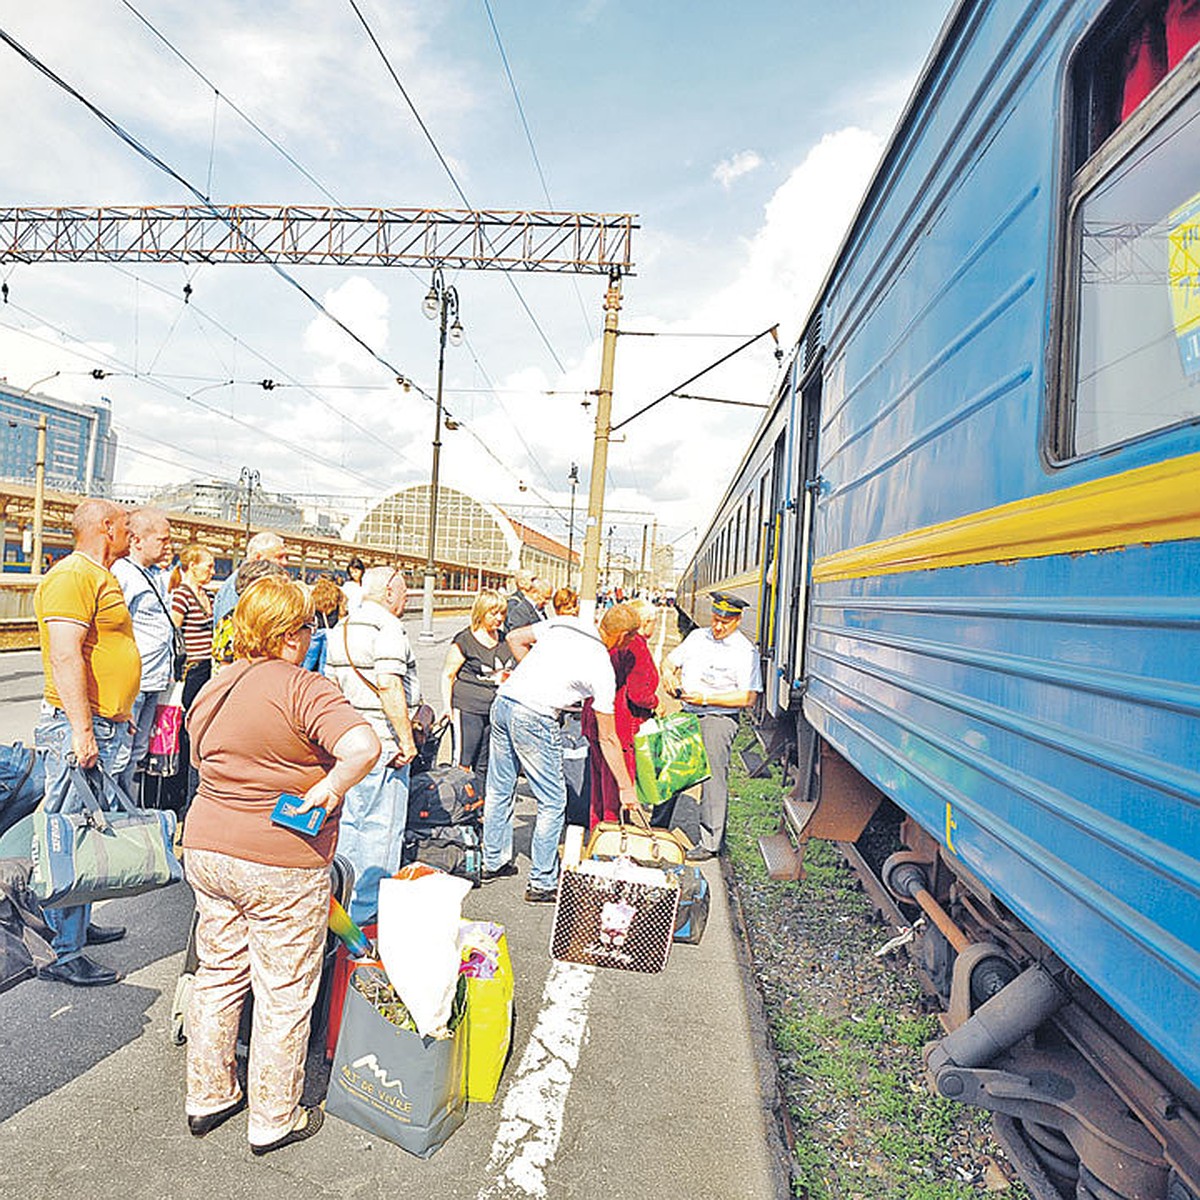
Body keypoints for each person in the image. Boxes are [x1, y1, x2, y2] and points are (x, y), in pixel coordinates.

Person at [183, 575, 380, 1154]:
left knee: (219, 971)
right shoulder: (304, 688)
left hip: (209, 849)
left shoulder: (214, 688)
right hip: (280, 860)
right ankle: (273, 1116)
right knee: (285, 989)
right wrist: (332, 786)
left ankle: (209, 1094)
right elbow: (363, 745)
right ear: (293, 632)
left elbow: (199, 759)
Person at [32, 499, 140, 987]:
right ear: (105, 526)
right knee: (71, 837)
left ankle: (74, 924)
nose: (130, 533)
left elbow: (103, 652)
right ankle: (64, 953)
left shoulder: (102, 574)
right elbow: (65, 656)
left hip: (103, 721)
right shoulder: (73, 576)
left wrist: (120, 713)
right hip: (78, 726)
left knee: (88, 830)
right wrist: (82, 729)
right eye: (125, 525)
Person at [482, 604, 641, 902]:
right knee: (553, 800)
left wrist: (534, 676)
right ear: (623, 636)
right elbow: (608, 737)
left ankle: (493, 861)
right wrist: (625, 786)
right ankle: (542, 881)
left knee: (500, 787)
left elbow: (514, 638)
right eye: (631, 639)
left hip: (504, 702)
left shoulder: (566, 623)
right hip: (535, 716)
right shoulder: (601, 668)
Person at [323, 566, 419, 924]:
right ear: (390, 592)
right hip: (383, 745)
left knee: (348, 825)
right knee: (382, 829)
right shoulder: (388, 628)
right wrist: (406, 741)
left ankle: (340, 904)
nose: (407, 599)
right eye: (405, 593)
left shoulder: (341, 628)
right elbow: (389, 685)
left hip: (349, 744)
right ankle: (368, 914)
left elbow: (330, 688)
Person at [660, 592, 762, 861]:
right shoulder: (696, 638)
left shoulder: (745, 651)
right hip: (688, 712)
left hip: (718, 718)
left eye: (725, 623)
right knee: (671, 769)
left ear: (738, 620)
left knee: (713, 778)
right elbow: (669, 661)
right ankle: (658, 827)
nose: (717, 627)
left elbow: (748, 697)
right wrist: (668, 674)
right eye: (715, 619)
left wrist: (707, 698)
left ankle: (710, 842)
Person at [111, 507, 175, 801]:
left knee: (136, 752)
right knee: (119, 754)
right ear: (137, 540)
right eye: (162, 540)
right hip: (133, 684)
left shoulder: (151, 575)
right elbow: (112, 630)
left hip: (153, 679)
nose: (168, 546)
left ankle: (126, 811)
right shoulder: (123, 575)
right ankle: (111, 813)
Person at [583, 598, 660, 827]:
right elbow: (639, 693)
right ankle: (615, 839)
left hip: (593, 716)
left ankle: (599, 833)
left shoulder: (606, 640)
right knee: (615, 786)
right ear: (645, 622)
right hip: (620, 724)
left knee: (598, 785)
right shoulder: (636, 645)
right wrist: (656, 702)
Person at [440, 589, 514, 787]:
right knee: (464, 761)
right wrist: (448, 708)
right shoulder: (464, 639)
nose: (499, 618)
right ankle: (459, 806)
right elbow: (448, 675)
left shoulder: (505, 639)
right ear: (481, 612)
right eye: (494, 613)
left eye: (503, 613)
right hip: (468, 708)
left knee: (486, 763)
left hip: (496, 709)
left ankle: (480, 806)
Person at [169, 543, 216, 810]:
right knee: (186, 731)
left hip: (206, 669)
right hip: (190, 672)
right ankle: (179, 794)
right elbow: (175, 635)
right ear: (191, 566)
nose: (211, 570)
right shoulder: (181, 595)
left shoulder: (207, 595)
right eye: (207, 565)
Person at [211, 532, 288, 665]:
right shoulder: (236, 587)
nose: (285, 562)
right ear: (258, 558)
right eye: (279, 557)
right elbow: (229, 637)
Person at [302, 575, 345, 673]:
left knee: (309, 660)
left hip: (317, 631)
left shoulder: (314, 595)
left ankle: (301, 678)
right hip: (330, 632)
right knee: (325, 663)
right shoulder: (337, 595)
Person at [502, 568, 543, 637]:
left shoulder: (535, 602)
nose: (536, 583)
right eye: (532, 580)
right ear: (521, 583)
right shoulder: (514, 603)